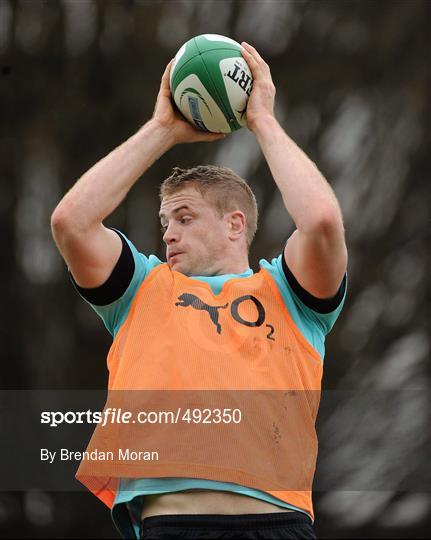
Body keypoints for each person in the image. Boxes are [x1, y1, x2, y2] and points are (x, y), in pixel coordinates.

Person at [51, 42, 347, 540]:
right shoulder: (141, 290)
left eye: (184, 217)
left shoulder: (288, 293)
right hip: (175, 525)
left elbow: (320, 222)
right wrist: (162, 130)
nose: (168, 233)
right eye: (165, 220)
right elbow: (71, 222)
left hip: (279, 524)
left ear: (236, 225)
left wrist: (264, 123)